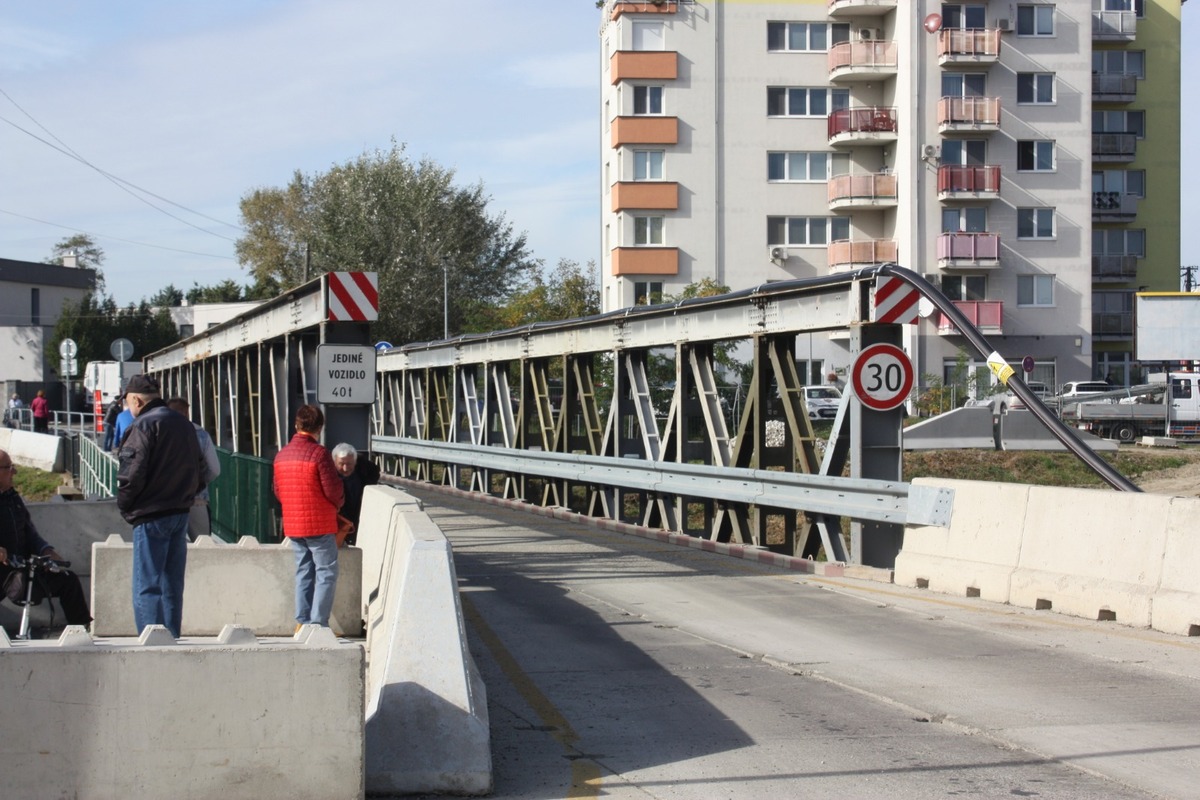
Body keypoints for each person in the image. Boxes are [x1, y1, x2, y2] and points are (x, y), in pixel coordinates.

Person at [117, 374, 203, 637]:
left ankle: (151, 642)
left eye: (129, 403)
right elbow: (201, 469)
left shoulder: (142, 426)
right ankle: (171, 637)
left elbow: (131, 474)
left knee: (147, 586)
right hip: (179, 512)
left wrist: (125, 506)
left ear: (136, 400)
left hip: (150, 514)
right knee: (172, 585)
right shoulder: (184, 424)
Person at [0, 449, 92, 628]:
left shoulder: (13, 499)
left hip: (20, 568)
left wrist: (46, 550)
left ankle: (81, 632)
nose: (14, 472)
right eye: (9, 467)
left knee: (67, 580)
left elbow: (30, 533)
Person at [273, 405, 343, 629]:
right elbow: (332, 490)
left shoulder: (282, 455)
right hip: (320, 524)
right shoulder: (319, 454)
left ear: (296, 425)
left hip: (294, 525)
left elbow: (278, 490)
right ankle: (318, 623)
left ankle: (301, 622)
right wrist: (339, 503)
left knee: (303, 571)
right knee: (326, 572)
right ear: (319, 428)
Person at [166, 398, 221, 540]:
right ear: (186, 413)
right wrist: (201, 483)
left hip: (166, 501)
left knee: (169, 547)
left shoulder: (159, 432)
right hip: (196, 499)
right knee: (203, 546)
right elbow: (214, 469)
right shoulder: (201, 434)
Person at [330, 443, 380, 547]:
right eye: (341, 464)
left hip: (360, 521)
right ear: (334, 462)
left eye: (349, 464)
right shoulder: (329, 479)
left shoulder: (366, 473)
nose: (345, 468)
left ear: (355, 462)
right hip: (338, 526)